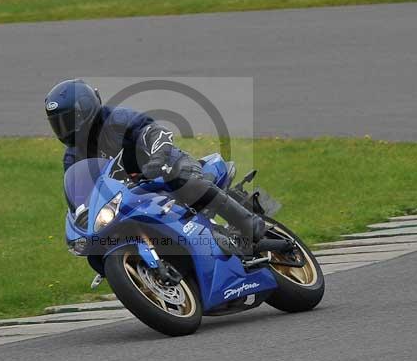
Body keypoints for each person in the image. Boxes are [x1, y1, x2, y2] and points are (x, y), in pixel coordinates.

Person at [44, 79, 266, 254]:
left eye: (69, 120)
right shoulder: (72, 157)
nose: (64, 129)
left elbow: (154, 132)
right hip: (131, 193)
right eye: (58, 124)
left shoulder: (116, 119)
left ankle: (248, 223)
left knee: (182, 180)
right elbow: (82, 194)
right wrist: (81, 214)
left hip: (166, 166)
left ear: (86, 108)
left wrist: (157, 160)